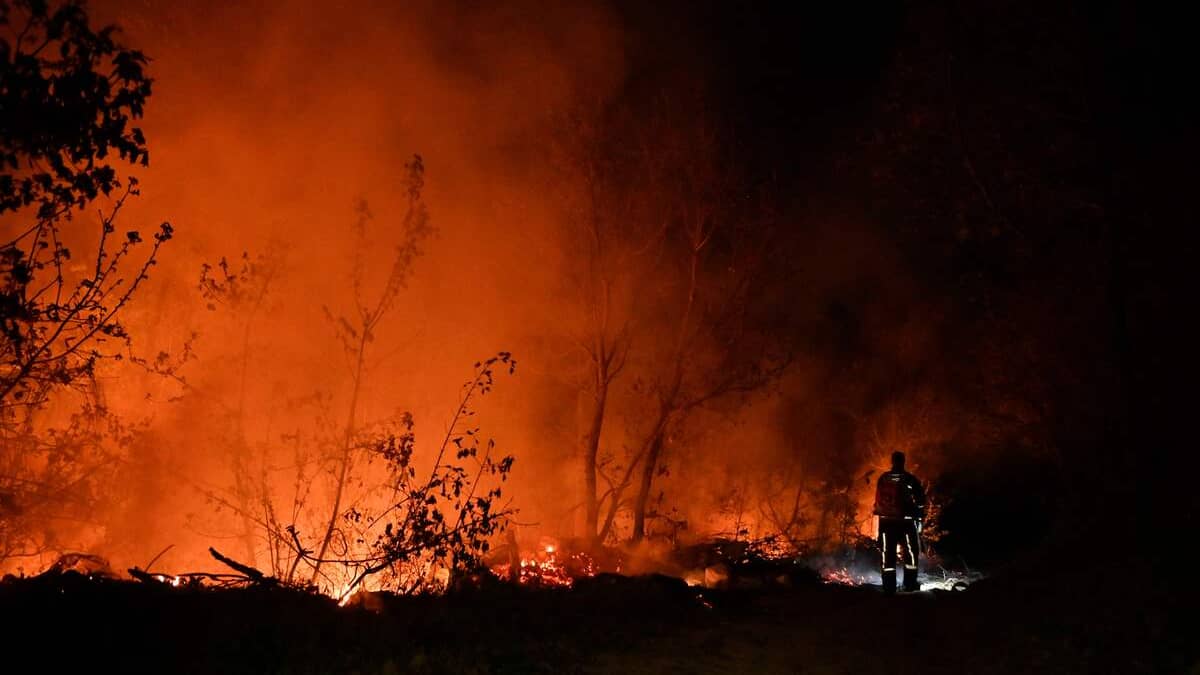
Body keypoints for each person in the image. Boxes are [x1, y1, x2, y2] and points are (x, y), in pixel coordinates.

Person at [873, 451, 926, 594]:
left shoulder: (883, 478)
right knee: (911, 553)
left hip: (886, 522)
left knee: (887, 554)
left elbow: (878, 501)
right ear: (903, 461)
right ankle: (910, 584)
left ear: (892, 461)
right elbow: (921, 500)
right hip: (905, 522)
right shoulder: (909, 479)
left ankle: (888, 586)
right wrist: (919, 516)